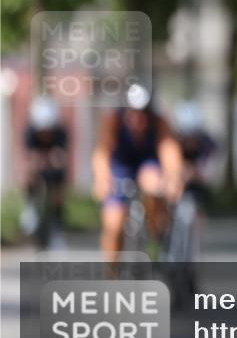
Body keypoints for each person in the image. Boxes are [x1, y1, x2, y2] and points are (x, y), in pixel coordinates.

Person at [91, 84, 184, 258]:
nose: (138, 120)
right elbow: (102, 153)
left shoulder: (159, 123)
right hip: (120, 167)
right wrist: (101, 179)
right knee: (113, 224)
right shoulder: (113, 122)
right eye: (133, 114)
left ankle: (157, 237)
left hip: (146, 165)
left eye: (143, 114)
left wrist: (173, 178)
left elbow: (169, 152)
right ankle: (112, 276)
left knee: (153, 184)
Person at [22, 95, 69, 247]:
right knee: (29, 171)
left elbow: (61, 156)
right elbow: (30, 156)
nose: (45, 134)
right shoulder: (29, 132)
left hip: (54, 167)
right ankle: (30, 208)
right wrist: (36, 162)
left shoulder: (61, 132)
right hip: (38, 163)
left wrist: (56, 159)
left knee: (59, 183)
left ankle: (57, 226)